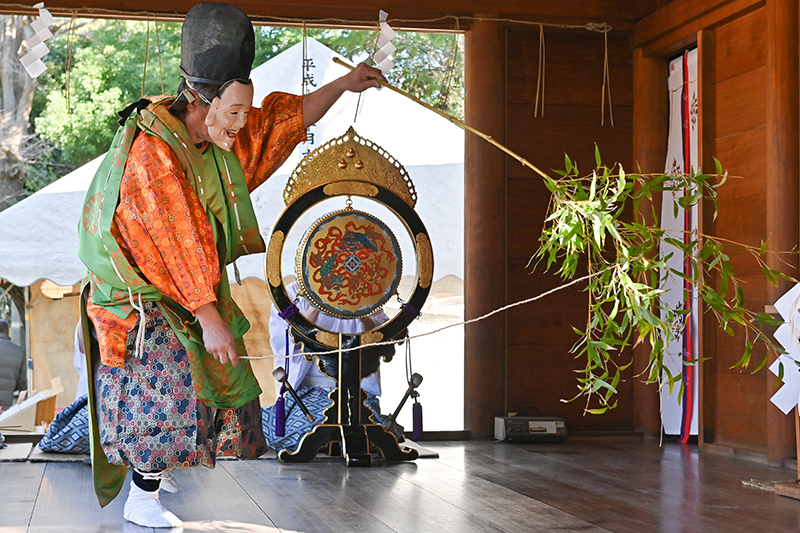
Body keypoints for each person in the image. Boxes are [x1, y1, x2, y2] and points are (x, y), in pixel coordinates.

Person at [77, 3, 385, 528]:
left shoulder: (211, 139)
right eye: (235, 114)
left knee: (204, 383)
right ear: (201, 100)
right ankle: (142, 496)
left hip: (184, 293)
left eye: (245, 114)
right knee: (166, 386)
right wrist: (208, 312)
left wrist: (345, 84)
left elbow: (277, 126)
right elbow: (174, 236)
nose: (244, 126)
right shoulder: (154, 152)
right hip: (143, 302)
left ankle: (162, 469)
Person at [263, 282, 398, 452]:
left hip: (355, 390)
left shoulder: (363, 288)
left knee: (362, 429)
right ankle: (329, 443)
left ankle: (335, 442)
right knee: (290, 433)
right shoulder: (292, 293)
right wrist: (317, 305)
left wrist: (362, 313)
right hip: (309, 391)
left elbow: (381, 334)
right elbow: (288, 342)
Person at [0, 319, 26, 413]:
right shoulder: (18, 351)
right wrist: (10, 387)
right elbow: (22, 381)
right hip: (6, 401)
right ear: (7, 331)